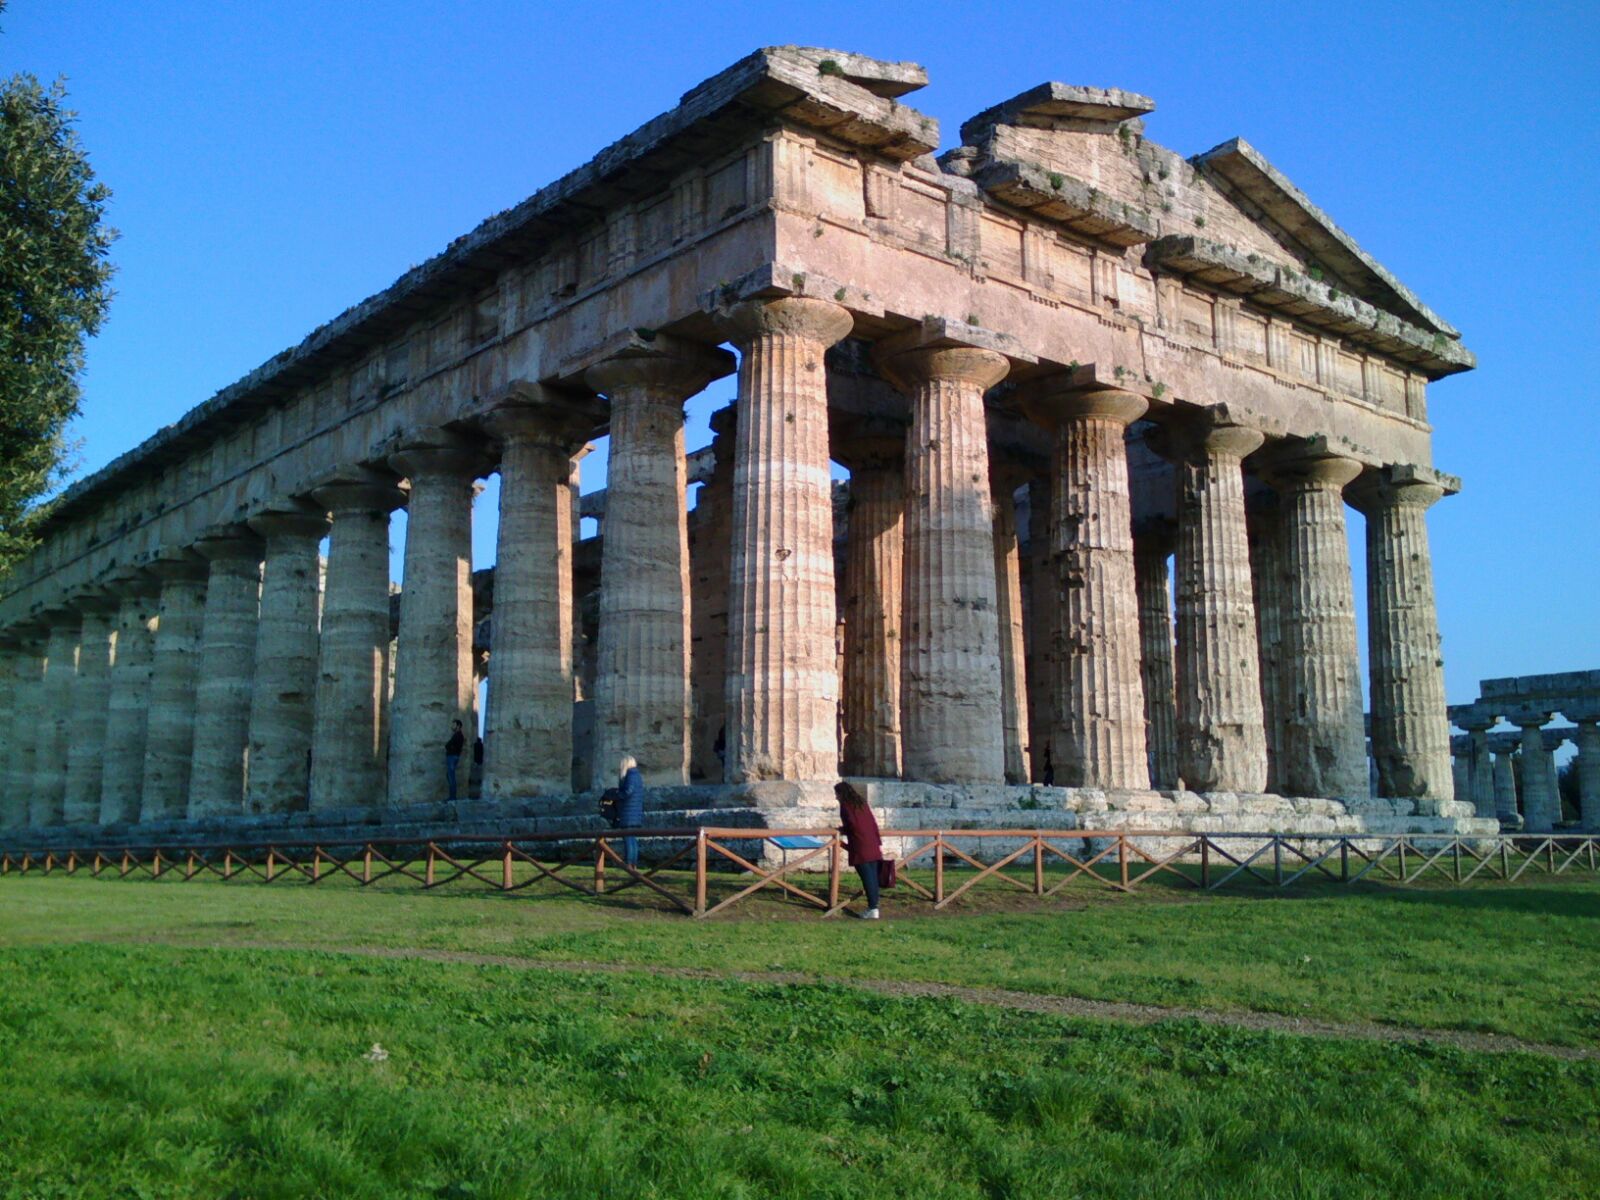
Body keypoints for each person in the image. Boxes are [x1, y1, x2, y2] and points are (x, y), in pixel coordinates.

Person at [836, 780, 884, 920]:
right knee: (873, 877)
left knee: (867, 877)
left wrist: (843, 830)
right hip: (872, 843)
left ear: (841, 793)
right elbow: (872, 823)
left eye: (837, 794)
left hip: (860, 845)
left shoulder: (845, 806)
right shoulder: (862, 803)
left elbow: (851, 823)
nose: (836, 797)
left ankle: (873, 908)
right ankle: (874, 907)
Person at [616, 754, 644, 869]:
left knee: (628, 838)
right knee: (632, 838)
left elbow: (629, 791)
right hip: (634, 812)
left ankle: (629, 863)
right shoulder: (637, 775)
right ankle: (633, 863)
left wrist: (618, 795)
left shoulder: (630, 775)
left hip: (628, 812)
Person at [444, 720, 465, 801]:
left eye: (454, 724)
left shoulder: (458, 735)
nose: (452, 726)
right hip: (453, 756)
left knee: (451, 776)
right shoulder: (457, 735)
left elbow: (449, 745)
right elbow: (449, 745)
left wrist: (450, 746)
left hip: (452, 757)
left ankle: (452, 797)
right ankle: (452, 796)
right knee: (449, 775)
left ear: (458, 726)